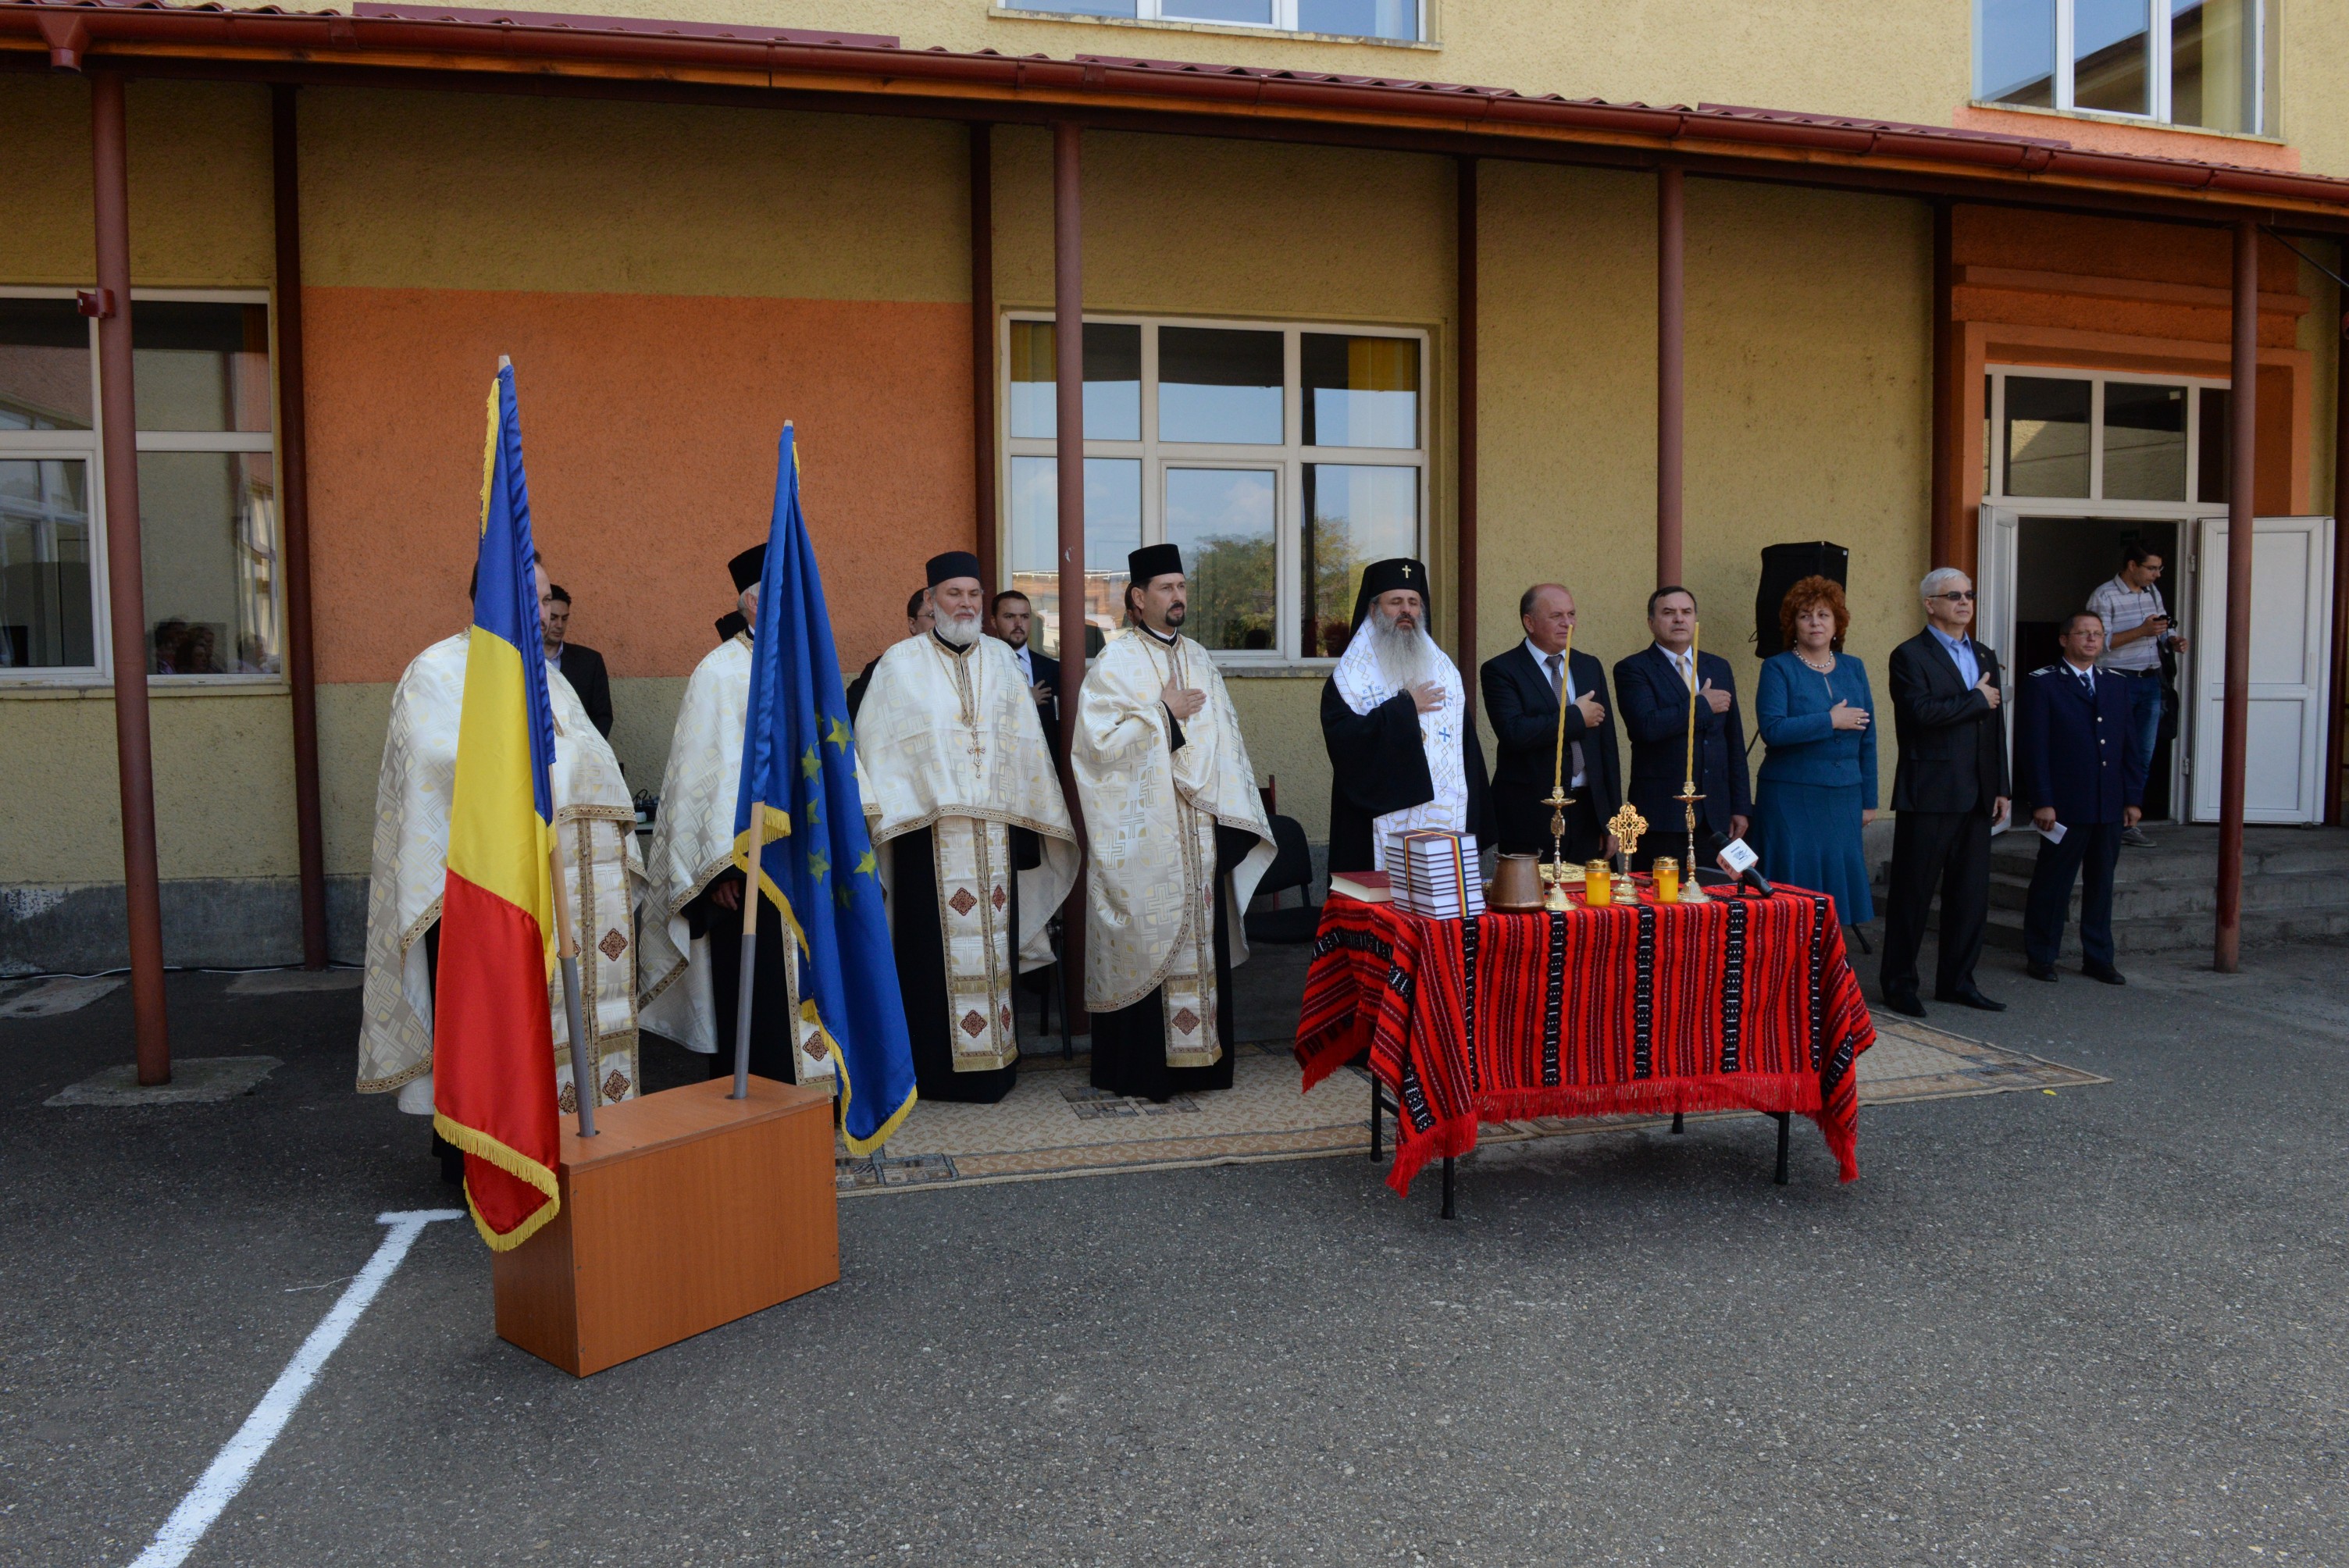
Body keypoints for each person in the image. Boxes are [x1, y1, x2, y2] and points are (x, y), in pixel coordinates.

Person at [359, 554, 646, 1179]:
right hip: (477, 892)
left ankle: (566, 1145)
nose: (547, 613)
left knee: (551, 1033)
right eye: (538, 598)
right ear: (492, 597)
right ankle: (481, 1164)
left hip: (561, 886)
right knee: (490, 1034)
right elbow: (438, 765)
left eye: (547, 600)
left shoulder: (550, 677)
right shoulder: (434, 671)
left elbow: (591, 762)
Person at [857, 551, 1079, 1103]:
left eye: (974, 595)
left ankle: (996, 1066)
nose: (966, 604)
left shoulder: (1004, 662)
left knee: (993, 955)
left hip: (994, 841)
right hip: (923, 841)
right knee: (927, 961)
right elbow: (879, 749)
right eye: (954, 594)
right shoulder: (898, 664)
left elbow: (1025, 748)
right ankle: (931, 1072)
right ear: (931, 600)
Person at [1072, 545, 1277, 1101]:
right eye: (1166, 588)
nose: (1178, 596)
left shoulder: (1202, 658)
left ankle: (1201, 1064)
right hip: (1145, 839)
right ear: (1138, 599)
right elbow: (1095, 747)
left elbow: (1227, 743)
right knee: (1147, 937)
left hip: (1199, 834)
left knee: (1200, 944)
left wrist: (1231, 816)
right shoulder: (1115, 662)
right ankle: (1143, 1070)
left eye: (1182, 587)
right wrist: (1162, 715)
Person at [637, 544, 832, 1088]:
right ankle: (764, 1110)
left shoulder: (811, 666)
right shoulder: (717, 673)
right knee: (761, 1000)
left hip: (810, 864)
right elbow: (698, 784)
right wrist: (719, 872)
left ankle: (824, 1102)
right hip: (749, 876)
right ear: (751, 603)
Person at [1880, 567, 2011, 1017]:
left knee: (1971, 894)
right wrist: (1975, 699)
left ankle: (1958, 981)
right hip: (1930, 789)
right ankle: (1899, 983)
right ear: (1929, 604)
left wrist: (2001, 787)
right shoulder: (1909, 655)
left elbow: (1995, 727)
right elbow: (1920, 714)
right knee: (1913, 893)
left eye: (1969, 594)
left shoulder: (1984, 653)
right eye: (1953, 595)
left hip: (1977, 791)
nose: (1964, 602)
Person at [1319, 558, 1492, 873]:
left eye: (1413, 602)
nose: (1406, 611)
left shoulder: (1444, 672)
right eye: (1395, 602)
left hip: (1442, 815)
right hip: (1371, 822)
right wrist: (1405, 709)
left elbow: (1464, 745)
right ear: (1373, 610)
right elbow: (1345, 743)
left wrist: (1476, 813)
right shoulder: (1348, 679)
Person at [2016, 611, 2144, 985]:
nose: (2091, 640)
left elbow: (2128, 746)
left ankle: (2099, 957)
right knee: (2053, 882)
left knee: (2102, 883)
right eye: (2083, 633)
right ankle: (2041, 955)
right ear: (2064, 639)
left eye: (2098, 634)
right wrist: (2041, 800)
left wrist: (2132, 798)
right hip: (2065, 804)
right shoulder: (2044, 684)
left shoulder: (2115, 684)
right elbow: (2034, 747)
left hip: (2108, 802)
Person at [1752, 576, 1877, 925]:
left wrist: (1869, 799)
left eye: (1824, 615)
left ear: (1837, 623)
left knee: (1838, 890)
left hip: (1844, 796)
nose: (1815, 623)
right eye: (1805, 616)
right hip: (1792, 795)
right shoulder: (1778, 667)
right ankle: (1791, 964)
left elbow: (1869, 736)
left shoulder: (1854, 667)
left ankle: (1830, 965)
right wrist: (1830, 720)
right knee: (1796, 887)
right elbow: (1773, 730)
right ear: (1793, 624)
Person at [1480, 582, 1620, 863]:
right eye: (1556, 616)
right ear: (1529, 622)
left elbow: (1607, 748)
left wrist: (1611, 819)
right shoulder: (1501, 669)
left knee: (1586, 902)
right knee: (1533, 903)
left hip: (1587, 811)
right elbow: (1515, 732)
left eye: (1571, 615)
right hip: (1530, 814)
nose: (1567, 623)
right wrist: (1576, 716)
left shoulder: (1588, 665)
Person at [1613, 586, 1750, 866]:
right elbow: (1646, 726)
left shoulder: (1718, 666)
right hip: (1662, 813)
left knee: (1714, 900)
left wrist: (1740, 807)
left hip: (1715, 813)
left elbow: (1733, 741)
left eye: (1686, 612)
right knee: (1662, 902)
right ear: (1651, 623)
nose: (1679, 619)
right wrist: (1702, 705)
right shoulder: (1633, 668)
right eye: (1668, 612)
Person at [2087, 543, 2185, 849]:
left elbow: (2159, 629)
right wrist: (2142, 631)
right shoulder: (2104, 596)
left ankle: (2129, 822)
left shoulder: (2152, 593)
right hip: (2116, 682)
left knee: (2143, 755)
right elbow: (2098, 644)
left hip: (2151, 680)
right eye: (2151, 568)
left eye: (2159, 569)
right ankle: (2104, 818)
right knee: (2110, 753)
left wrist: (2173, 639)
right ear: (2132, 566)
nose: (2157, 575)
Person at [847, 588, 933, 721]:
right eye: (933, 616)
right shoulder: (886, 666)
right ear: (912, 624)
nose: (941, 623)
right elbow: (857, 712)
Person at [544, 583, 614, 739]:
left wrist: (589, 750)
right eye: (553, 618)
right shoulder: (520, 660)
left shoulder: (590, 662)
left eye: (565, 618)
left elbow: (603, 716)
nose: (559, 625)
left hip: (582, 756)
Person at [989, 589, 1061, 730]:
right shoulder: (981, 666)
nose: (1018, 624)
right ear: (994, 621)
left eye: (1025, 617)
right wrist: (1025, 701)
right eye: (1009, 617)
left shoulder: (1053, 669)